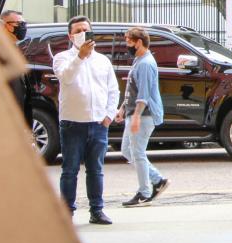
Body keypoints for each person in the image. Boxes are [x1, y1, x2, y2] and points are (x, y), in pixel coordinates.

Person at [53, 16, 119, 225]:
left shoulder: (102, 60)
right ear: (70, 36)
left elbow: (112, 90)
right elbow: (66, 78)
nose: (82, 33)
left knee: (96, 169)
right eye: (78, 30)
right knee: (70, 169)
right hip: (73, 122)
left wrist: (108, 115)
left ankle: (96, 210)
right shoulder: (62, 58)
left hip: (98, 123)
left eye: (86, 29)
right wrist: (80, 57)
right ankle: (66, 212)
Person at [116, 27, 168, 207]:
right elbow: (133, 89)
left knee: (137, 152)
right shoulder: (139, 60)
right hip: (134, 113)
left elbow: (143, 94)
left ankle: (145, 192)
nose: (127, 45)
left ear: (138, 42)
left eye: (129, 41)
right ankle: (158, 180)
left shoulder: (145, 63)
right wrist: (123, 108)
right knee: (127, 150)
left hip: (143, 114)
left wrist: (136, 115)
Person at [0, 10, 33, 127]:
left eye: (24, 24)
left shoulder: (14, 49)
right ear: (5, 25)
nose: (23, 28)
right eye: (19, 24)